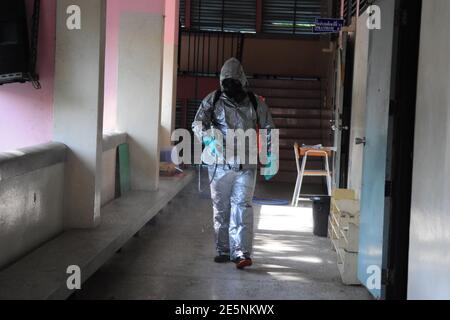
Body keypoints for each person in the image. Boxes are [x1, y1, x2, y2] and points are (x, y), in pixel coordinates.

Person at [192, 58, 277, 269]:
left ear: (242, 80)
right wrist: (209, 140)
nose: (230, 87)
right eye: (226, 82)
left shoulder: (255, 102)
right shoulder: (213, 100)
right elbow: (197, 123)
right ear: (222, 82)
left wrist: (271, 158)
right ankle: (223, 249)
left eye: (234, 82)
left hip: (246, 166)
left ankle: (241, 252)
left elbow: (269, 129)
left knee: (242, 206)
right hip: (220, 164)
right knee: (221, 208)